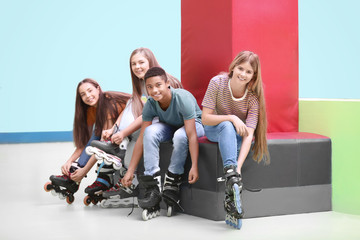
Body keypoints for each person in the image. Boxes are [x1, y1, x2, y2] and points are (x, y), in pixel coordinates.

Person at [90, 48, 183, 207]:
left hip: (168, 124)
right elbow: (138, 110)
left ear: (150, 62)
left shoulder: (163, 82)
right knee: (131, 103)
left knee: (139, 131)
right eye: (133, 64)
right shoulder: (141, 83)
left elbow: (150, 114)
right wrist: (114, 129)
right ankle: (123, 162)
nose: (137, 67)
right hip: (149, 121)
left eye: (141, 62)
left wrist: (125, 132)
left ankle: (120, 150)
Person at [121, 67, 204, 220]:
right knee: (149, 132)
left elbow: (191, 135)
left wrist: (194, 166)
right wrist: (130, 170)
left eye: (158, 85)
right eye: (150, 87)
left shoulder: (182, 99)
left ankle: (172, 181)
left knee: (180, 135)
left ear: (167, 84)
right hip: (170, 126)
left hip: (195, 125)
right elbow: (141, 139)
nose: (154, 90)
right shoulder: (151, 104)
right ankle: (152, 185)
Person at [201, 50, 269, 229]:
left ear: (254, 75)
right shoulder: (217, 83)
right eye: (241, 68)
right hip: (215, 128)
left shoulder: (253, 97)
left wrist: (238, 167)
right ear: (233, 67)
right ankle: (231, 176)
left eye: (249, 72)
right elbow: (205, 118)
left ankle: (231, 181)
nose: (243, 74)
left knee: (235, 135)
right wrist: (231, 117)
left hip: (237, 138)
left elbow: (249, 135)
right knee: (227, 126)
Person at [45, 78, 130, 203]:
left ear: (98, 88)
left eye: (90, 91)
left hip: (136, 124)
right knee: (96, 132)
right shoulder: (90, 110)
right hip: (116, 129)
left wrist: (84, 171)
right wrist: (70, 162)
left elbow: (102, 147)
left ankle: (95, 178)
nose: (88, 96)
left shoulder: (107, 102)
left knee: (100, 134)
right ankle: (74, 176)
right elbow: (87, 143)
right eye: (83, 94)